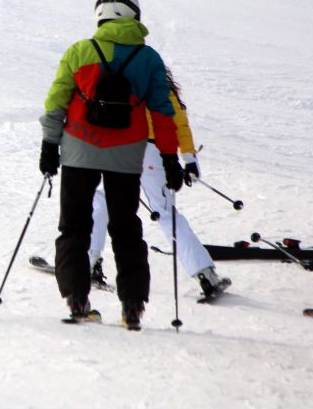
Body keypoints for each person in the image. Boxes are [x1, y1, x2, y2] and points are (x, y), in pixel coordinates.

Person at [39, 0, 182, 329]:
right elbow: (163, 113)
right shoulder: (149, 60)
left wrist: (48, 146)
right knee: (126, 228)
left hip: (78, 150)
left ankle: (77, 299)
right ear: (133, 15)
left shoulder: (80, 51)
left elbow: (56, 100)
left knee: (73, 226)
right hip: (126, 154)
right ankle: (132, 305)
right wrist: (169, 158)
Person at [87, 70, 231, 298]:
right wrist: (189, 160)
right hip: (154, 152)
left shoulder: (122, 80)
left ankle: (89, 261)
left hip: (124, 149)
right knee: (165, 213)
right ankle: (205, 274)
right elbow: (180, 123)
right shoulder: (161, 87)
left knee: (103, 198)